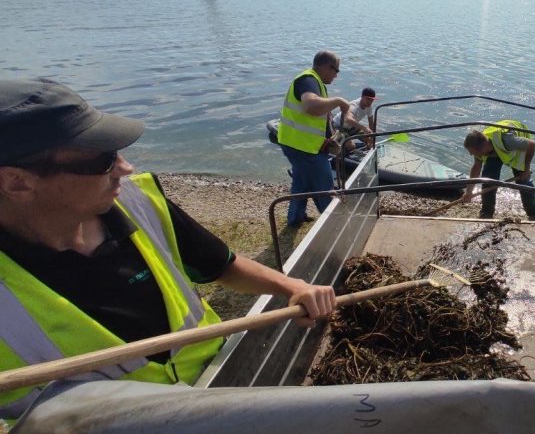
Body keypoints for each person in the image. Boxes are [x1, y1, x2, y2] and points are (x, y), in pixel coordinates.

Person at [0, 78, 336, 424]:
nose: (125, 169)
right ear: (16, 181)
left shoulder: (139, 202)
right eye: (103, 161)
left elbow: (223, 266)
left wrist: (291, 286)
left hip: (225, 386)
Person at [277, 50, 351, 228]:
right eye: (336, 71)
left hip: (297, 143)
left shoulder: (316, 83)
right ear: (326, 67)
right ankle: (335, 226)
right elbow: (311, 106)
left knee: (301, 182)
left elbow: (318, 117)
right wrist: (338, 100)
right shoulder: (308, 80)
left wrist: (331, 138)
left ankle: (295, 218)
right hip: (304, 147)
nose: (336, 75)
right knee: (325, 188)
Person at [461, 119, 535, 221]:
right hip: (494, 149)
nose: (471, 154)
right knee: (488, 180)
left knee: (523, 182)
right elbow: (477, 166)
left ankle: (534, 215)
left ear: (482, 148)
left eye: (472, 152)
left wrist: (526, 169)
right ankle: (486, 213)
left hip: (517, 149)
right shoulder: (480, 145)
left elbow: (532, 144)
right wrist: (469, 191)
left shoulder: (508, 141)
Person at [331, 87, 378, 152]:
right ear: (362, 97)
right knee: (351, 146)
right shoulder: (354, 105)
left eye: (372, 100)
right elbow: (348, 119)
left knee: (368, 138)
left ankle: (366, 150)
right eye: (368, 99)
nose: (370, 102)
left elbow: (371, 123)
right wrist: (364, 128)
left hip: (351, 127)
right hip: (338, 126)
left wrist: (371, 137)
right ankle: (341, 147)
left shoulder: (369, 106)